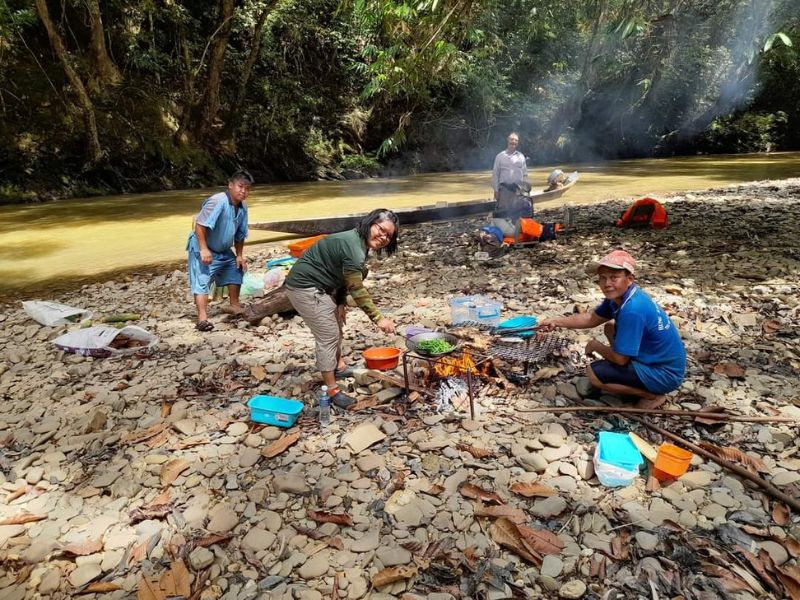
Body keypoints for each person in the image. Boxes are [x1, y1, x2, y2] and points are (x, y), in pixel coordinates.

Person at [538, 250, 686, 409]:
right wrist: (555, 321)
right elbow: (591, 319)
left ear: (630, 279)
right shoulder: (620, 297)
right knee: (609, 327)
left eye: (614, 277)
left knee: (594, 374)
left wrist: (596, 346)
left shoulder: (632, 309)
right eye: (602, 278)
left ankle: (651, 396)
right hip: (656, 360)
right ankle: (631, 375)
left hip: (664, 374)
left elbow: (620, 360)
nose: (607, 283)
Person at [285, 209, 398, 409]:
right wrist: (379, 319)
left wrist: (339, 302)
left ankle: (338, 366)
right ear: (370, 223)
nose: (383, 237)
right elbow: (356, 288)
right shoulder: (353, 247)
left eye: (389, 236)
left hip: (324, 287)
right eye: (381, 230)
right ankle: (332, 391)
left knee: (336, 325)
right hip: (305, 287)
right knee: (328, 334)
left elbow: (343, 276)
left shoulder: (359, 243)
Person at [187, 170, 253, 332]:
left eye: (247, 188)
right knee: (202, 280)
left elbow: (240, 234)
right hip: (203, 246)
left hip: (223, 249)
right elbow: (200, 225)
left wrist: (239, 255)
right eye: (240, 186)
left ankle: (234, 305)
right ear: (230, 185)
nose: (243, 191)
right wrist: (204, 249)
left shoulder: (242, 206)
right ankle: (202, 318)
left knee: (236, 268)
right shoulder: (218, 201)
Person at [491, 132, 530, 240]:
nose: (513, 142)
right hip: (504, 189)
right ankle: (504, 233)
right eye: (512, 139)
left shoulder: (521, 156)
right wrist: (496, 190)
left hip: (518, 189)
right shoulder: (500, 156)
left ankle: (517, 233)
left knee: (517, 211)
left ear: (517, 142)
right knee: (503, 212)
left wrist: (526, 190)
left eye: (516, 140)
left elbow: (525, 174)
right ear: (507, 140)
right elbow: (495, 174)